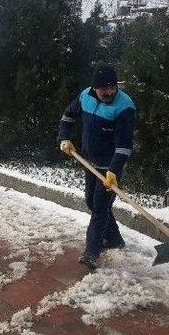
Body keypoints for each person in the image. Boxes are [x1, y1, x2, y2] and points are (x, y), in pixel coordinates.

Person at [58, 64, 136, 270]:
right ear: (94, 88)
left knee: (100, 208)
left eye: (113, 87)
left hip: (110, 167)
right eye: (104, 88)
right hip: (89, 162)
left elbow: (124, 145)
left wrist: (114, 171)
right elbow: (68, 116)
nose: (109, 92)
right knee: (91, 203)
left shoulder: (124, 107)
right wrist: (64, 137)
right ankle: (115, 239)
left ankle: (92, 251)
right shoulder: (85, 96)